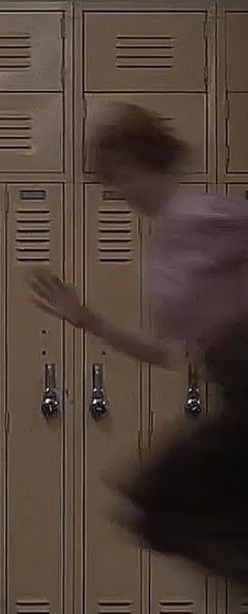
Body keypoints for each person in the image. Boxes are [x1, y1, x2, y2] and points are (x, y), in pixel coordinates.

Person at [28, 101, 248, 581]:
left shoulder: (202, 214)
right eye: (112, 181)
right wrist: (90, 321)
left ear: (150, 160)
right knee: (155, 505)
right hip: (231, 382)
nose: (121, 190)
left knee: (161, 499)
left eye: (123, 175)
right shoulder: (164, 247)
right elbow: (167, 352)